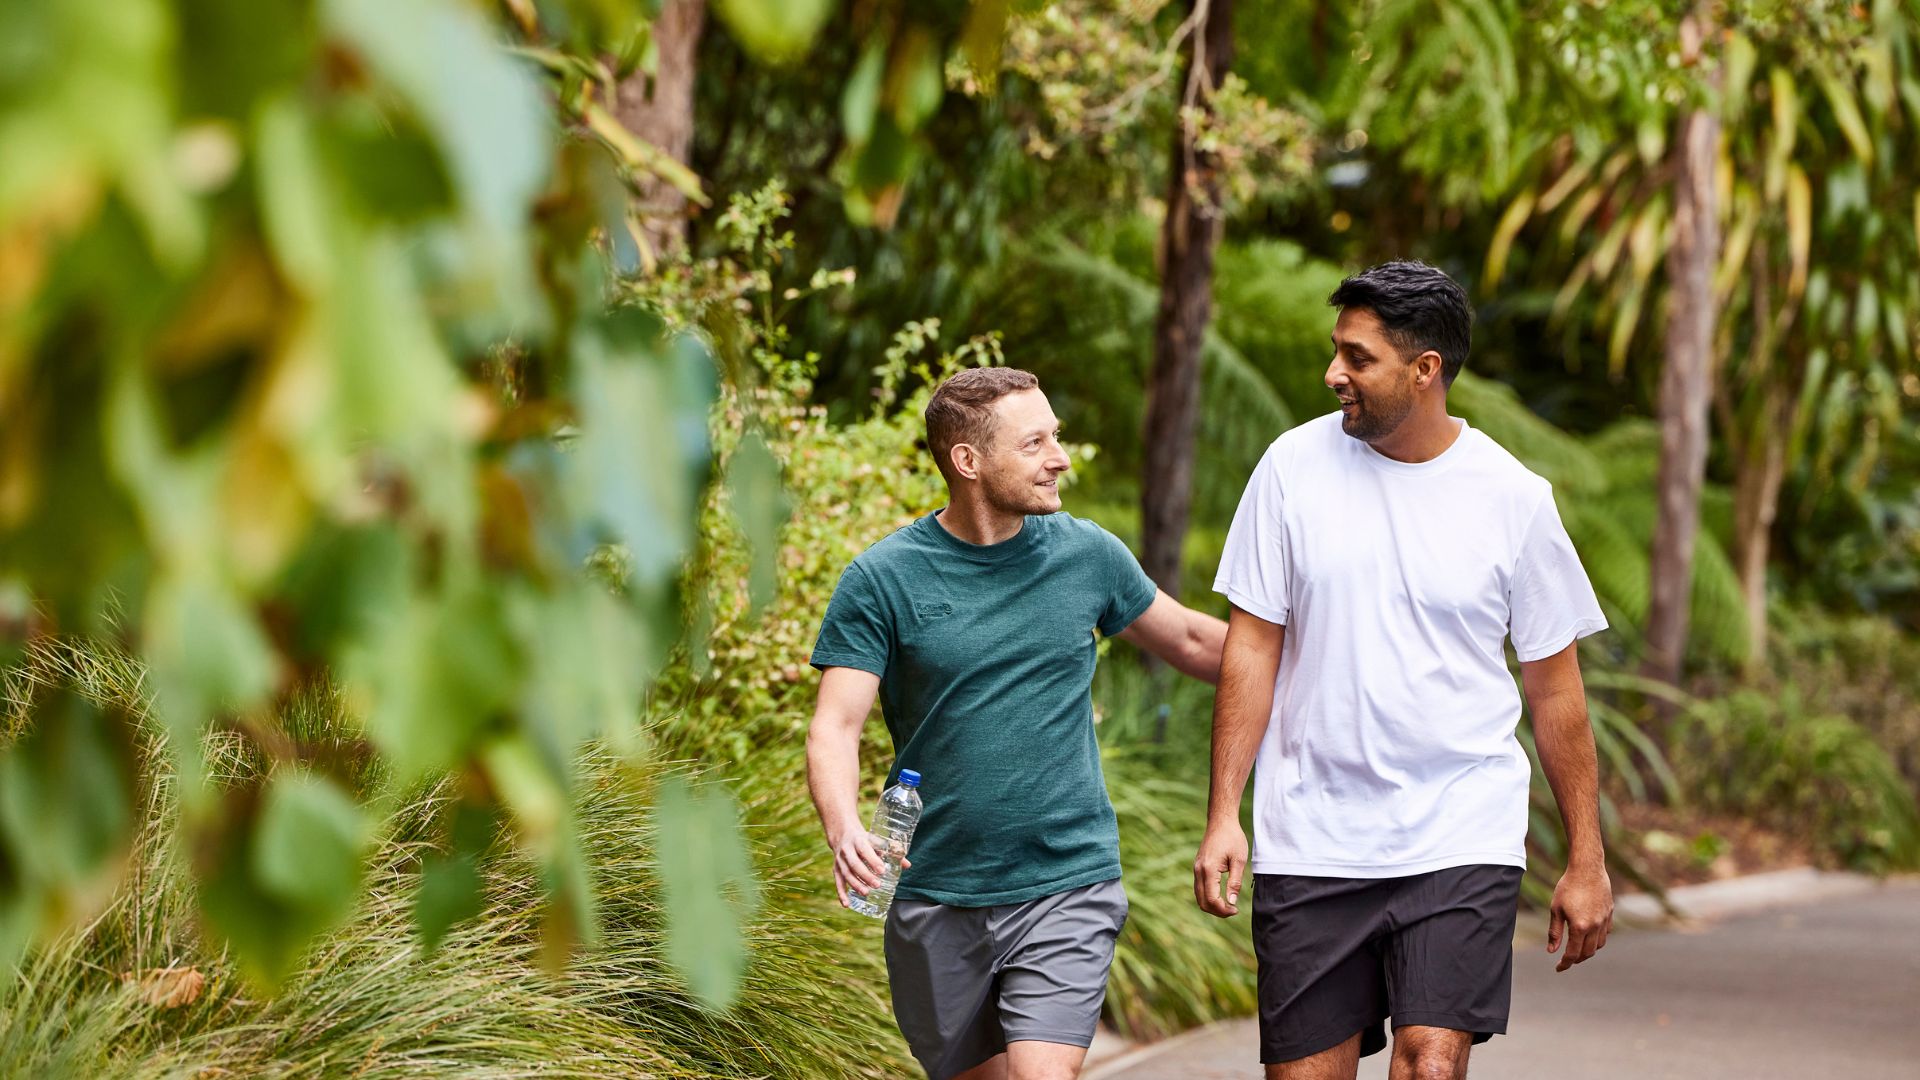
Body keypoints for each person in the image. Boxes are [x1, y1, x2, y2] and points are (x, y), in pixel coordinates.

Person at [1192, 261, 1615, 1080]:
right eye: (1336, 351)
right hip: (1313, 834)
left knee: (1430, 1063)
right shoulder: (1289, 469)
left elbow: (1556, 691)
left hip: (1460, 826)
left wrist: (1586, 859)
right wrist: (1224, 815)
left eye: (1357, 357)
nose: (1333, 374)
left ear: (1425, 371)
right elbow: (1251, 645)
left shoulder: (1512, 498)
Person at [807, 366, 1226, 1080]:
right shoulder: (883, 579)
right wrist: (845, 826)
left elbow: (1190, 641)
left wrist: (1319, 652)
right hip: (936, 888)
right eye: (1035, 443)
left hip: (1066, 880)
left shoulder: (1085, 553)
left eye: (1054, 437)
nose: (1059, 458)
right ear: (968, 461)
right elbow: (835, 726)